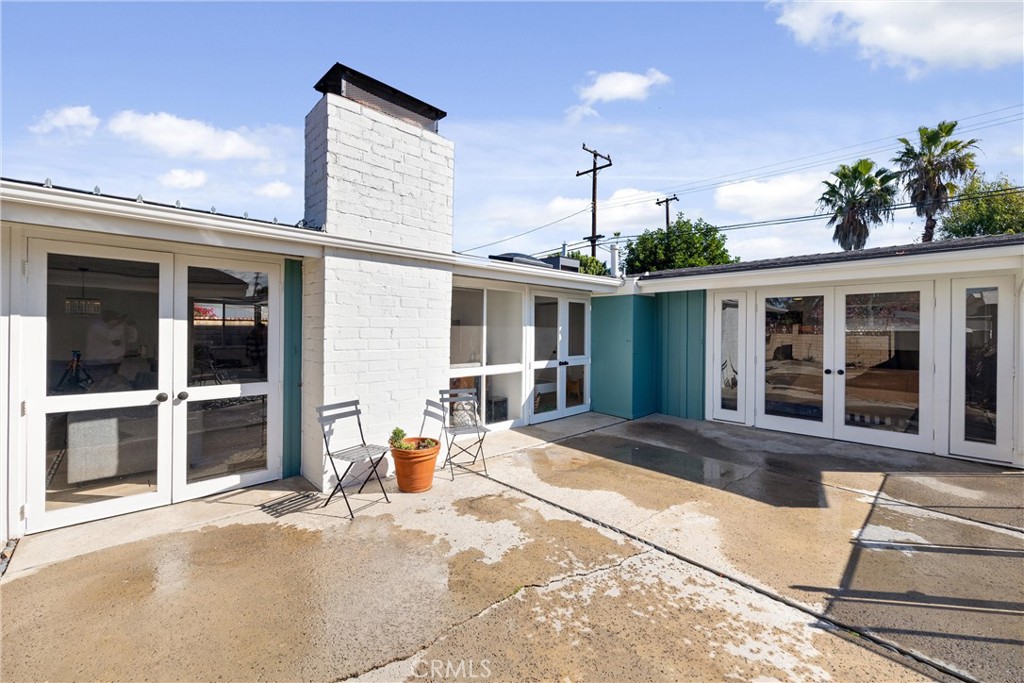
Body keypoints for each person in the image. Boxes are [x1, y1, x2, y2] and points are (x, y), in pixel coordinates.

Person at [84, 310, 138, 381]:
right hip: (97, 363)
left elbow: (132, 338)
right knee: (100, 386)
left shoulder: (121, 326)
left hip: (115, 362)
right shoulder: (96, 327)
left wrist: (130, 326)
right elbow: (111, 339)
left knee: (113, 384)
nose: (117, 322)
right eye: (115, 319)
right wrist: (122, 321)